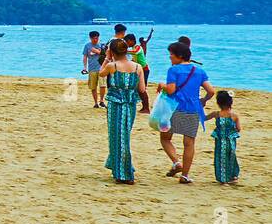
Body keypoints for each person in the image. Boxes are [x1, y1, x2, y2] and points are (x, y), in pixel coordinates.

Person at [159, 41, 215, 184]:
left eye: (171, 54)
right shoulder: (199, 71)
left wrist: (162, 85)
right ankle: (185, 175)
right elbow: (211, 91)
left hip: (174, 108)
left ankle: (176, 162)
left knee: (165, 138)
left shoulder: (174, 70)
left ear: (180, 56)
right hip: (193, 109)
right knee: (189, 143)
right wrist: (203, 100)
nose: (170, 57)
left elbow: (171, 90)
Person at [100, 37, 148, 184]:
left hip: (115, 104)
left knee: (116, 136)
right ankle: (118, 167)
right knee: (124, 136)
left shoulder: (112, 66)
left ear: (112, 51)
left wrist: (107, 58)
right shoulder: (137, 67)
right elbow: (142, 89)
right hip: (130, 104)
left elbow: (101, 73)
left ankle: (124, 172)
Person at [206, 91, 241, 184]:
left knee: (220, 158)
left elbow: (204, 118)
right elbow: (238, 129)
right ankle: (233, 176)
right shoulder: (234, 116)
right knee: (232, 157)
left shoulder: (216, 114)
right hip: (231, 141)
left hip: (220, 141)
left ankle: (223, 178)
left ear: (218, 103)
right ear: (231, 102)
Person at [81, 30, 105, 108]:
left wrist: (97, 51)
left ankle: (101, 100)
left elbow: (106, 55)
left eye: (97, 38)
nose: (95, 40)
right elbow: (85, 57)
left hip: (102, 68)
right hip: (92, 68)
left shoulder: (102, 45)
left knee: (103, 85)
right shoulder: (87, 46)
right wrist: (84, 67)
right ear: (90, 38)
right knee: (93, 86)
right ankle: (95, 103)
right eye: (94, 38)